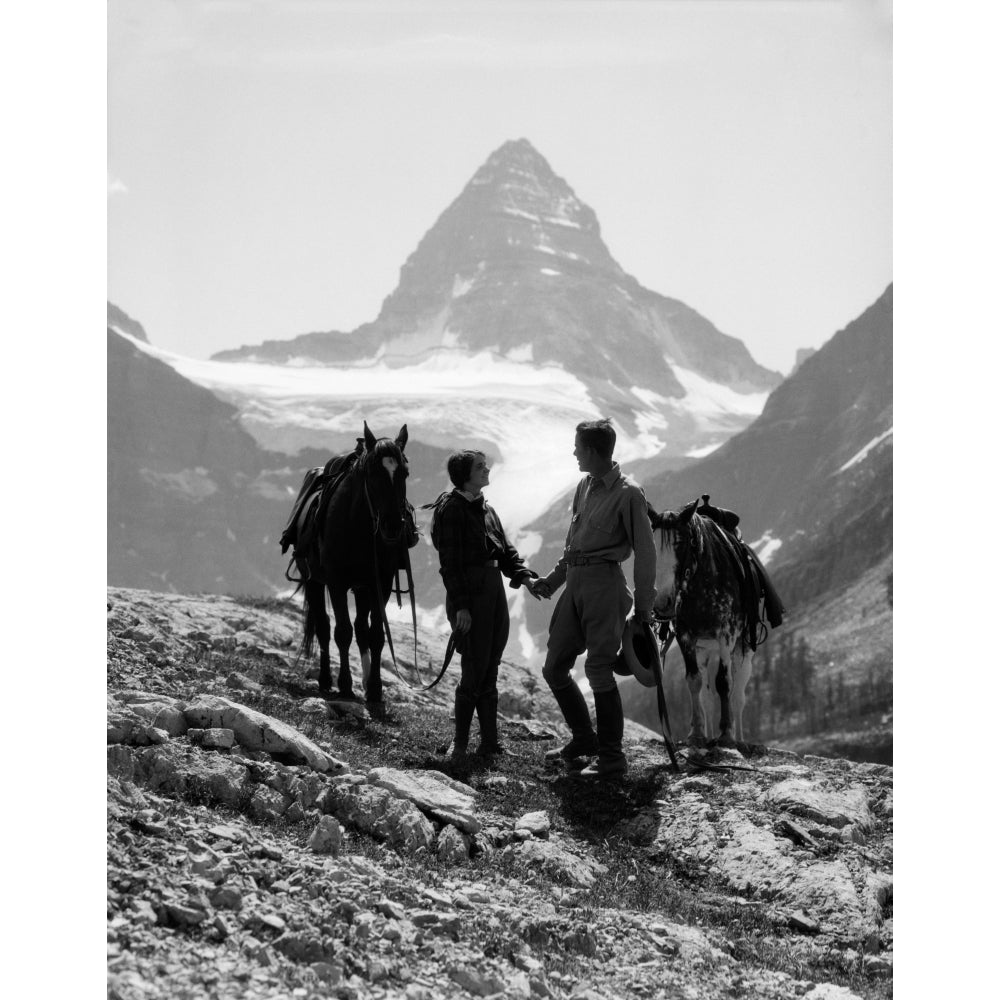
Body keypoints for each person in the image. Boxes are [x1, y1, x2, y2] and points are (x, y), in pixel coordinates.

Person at [533, 419, 657, 781]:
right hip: (575, 585)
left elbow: (645, 554)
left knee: (599, 669)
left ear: (592, 450)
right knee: (554, 667)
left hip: (605, 587)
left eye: (577, 447)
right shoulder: (584, 485)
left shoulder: (629, 493)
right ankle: (585, 739)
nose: (573, 452)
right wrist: (553, 581)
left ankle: (611, 758)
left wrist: (644, 610)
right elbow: (574, 545)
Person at [432, 450, 540, 765]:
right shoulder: (452, 510)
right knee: (474, 669)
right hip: (471, 596)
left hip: (492, 592)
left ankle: (490, 744)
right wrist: (462, 608)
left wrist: (525, 578)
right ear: (465, 474)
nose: (487, 469)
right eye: (480, 467)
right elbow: (450, 565)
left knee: (490, 666)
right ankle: (461, 744)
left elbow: (506, 551)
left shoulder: (486, 508)